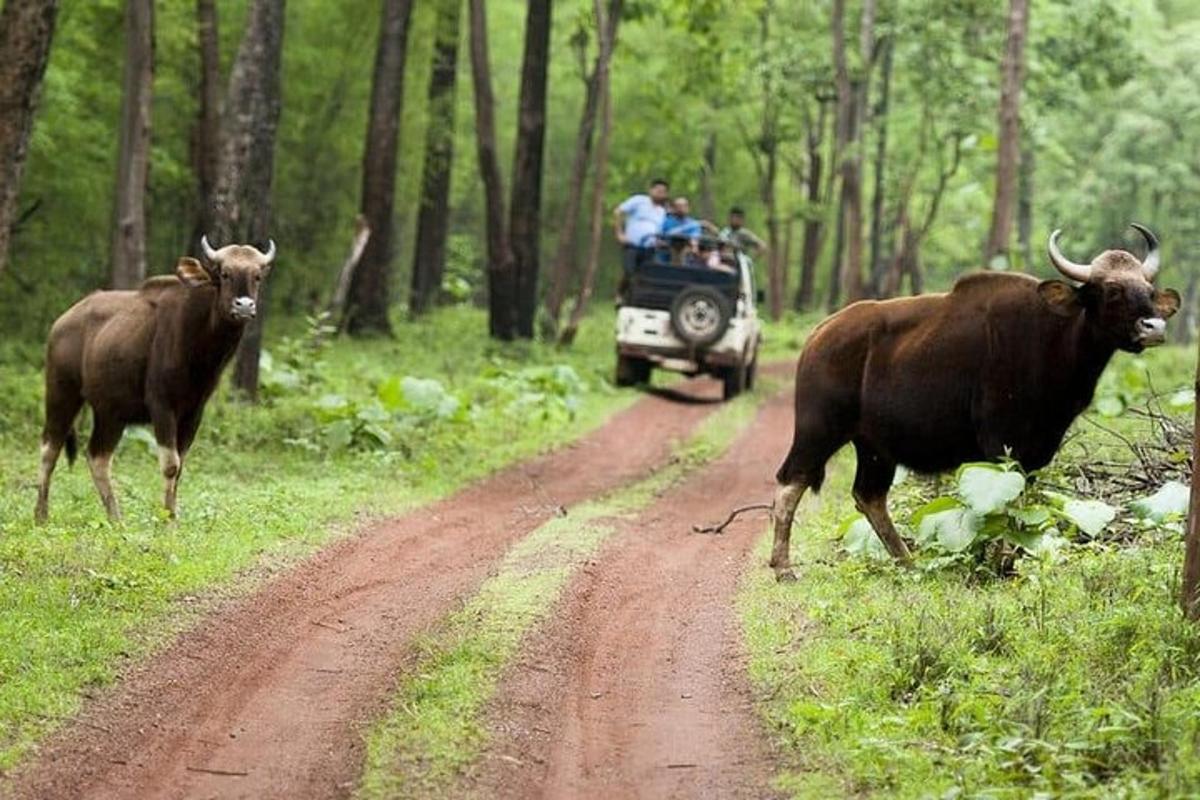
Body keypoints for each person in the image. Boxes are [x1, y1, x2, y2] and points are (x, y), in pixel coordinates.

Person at [613, 178, 670, 273]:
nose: (660, 193)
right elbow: (618, 212)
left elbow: (659, 230)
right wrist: (619, 234)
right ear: (651, 190)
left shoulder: (662, 211)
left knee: (645, 274)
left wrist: (659, 242)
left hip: (650, 248)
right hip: (632, 244)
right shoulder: (639, 200)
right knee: (629, 272)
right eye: (658, 190)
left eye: (663, 192)